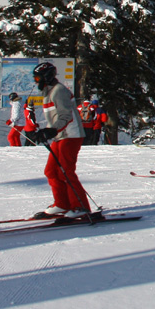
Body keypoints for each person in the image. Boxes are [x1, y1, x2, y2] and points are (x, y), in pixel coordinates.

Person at [32, 61, 95, 220]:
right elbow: (53, 118)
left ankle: (81, 207)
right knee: (51, 171)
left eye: (38, 78)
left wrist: (52, 130)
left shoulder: (59, 91)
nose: (36, 82)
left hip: (70, 135)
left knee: (65, 172)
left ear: (46, 77)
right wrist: (46, 131)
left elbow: (65, 115)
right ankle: (62, 204)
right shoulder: (48, 93)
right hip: (60, 135)